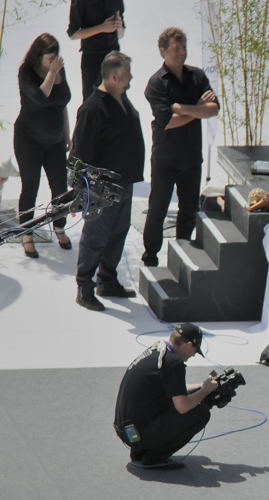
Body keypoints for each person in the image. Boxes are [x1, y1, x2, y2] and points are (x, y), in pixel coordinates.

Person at [71, 50, 144, 312]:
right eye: (127, 74)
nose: (131, 78)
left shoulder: (120, 98)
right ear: (114, 77)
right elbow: (80, 153)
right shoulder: (93, 108)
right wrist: (87, 188)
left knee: (117, 234)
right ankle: (84, 286)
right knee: (96, 236)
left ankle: (107, 280)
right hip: (103, 188)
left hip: (124, 182)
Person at [141, 27, 219, 267]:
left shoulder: (197, 76)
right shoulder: (156, 83)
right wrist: (197, 110)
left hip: (191, 158)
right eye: (176, 49)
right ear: (163, 51)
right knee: (158, 209)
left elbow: (213, 108)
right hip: (166, 158)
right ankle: (151, 255)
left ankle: (182, 253)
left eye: (184, 47)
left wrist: (184, 108)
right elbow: (167, 123)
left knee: (188, 209)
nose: (182, 52)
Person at [113, 323, 218, 470]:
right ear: (188, 345)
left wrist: (202, 385)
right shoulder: (174, 363)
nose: (194, 354)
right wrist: (205, 391)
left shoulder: (158, 351)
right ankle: (154, 457)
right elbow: (183, 406)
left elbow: (175, 390)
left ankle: (140, 451)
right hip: (139, 433)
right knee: (200, 413)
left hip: (128, 430)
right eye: (195, 350)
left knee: (180, 400)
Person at [14, 33, 72, 259]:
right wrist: (51, 73)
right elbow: (40, 96)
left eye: (57, 55)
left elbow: (62, 102)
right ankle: (26, 231)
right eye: (50, 56)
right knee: (31, 186)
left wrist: (67, 134)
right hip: (29, 139)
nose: (55, 60)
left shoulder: (59, 70)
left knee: (60, 188)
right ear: (39, 56)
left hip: (55, 140)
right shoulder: (26, 73)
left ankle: (59, 226)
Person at [67, 0, 124, 99]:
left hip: (114, 56)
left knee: (117, 101)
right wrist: (102, 28)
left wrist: (119, 26)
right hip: (92, 58)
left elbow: (121, 34)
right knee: (92, 101)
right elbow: (73, 34)